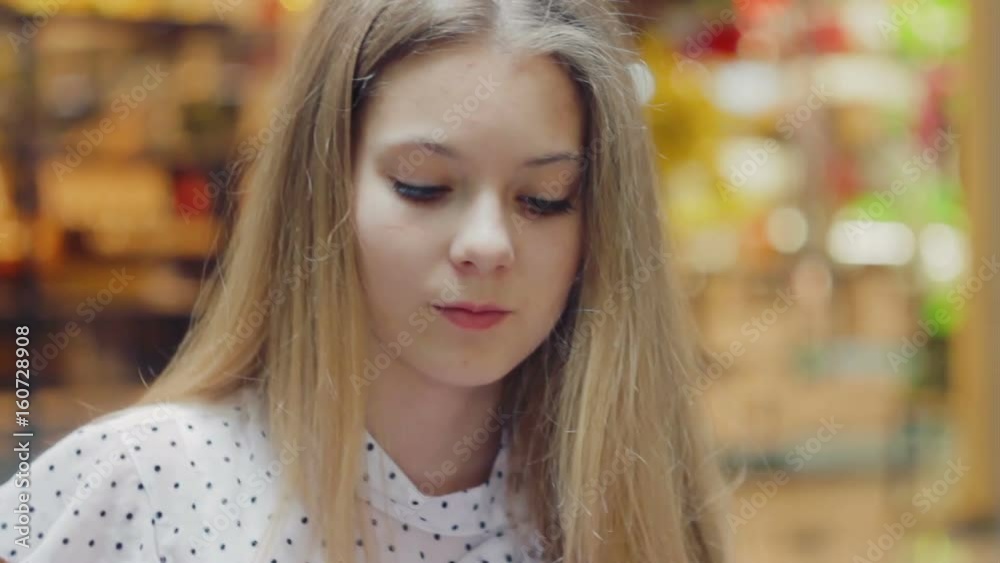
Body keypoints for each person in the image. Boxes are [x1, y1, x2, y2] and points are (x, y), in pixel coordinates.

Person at [0, 1, 733, 561]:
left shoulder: (631, 515)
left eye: (542, 198)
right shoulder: (145, 484)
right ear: (321, 188)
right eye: (424, 185)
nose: (488, 245)